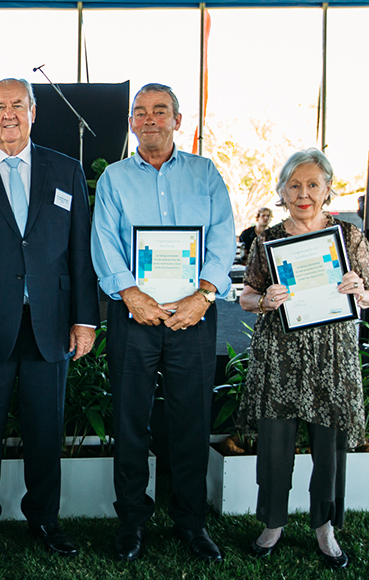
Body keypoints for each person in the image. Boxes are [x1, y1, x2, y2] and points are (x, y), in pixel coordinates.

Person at [0, 78, 99, 561]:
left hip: (50, 325)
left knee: (45, 431)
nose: (9, 114)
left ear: (34, 111)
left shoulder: (65, 170)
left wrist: (85, 319)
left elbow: (80, 251)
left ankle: (45, 520)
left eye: (18, 105)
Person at [90, 83, 235, 563]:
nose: (149, 119)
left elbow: (222, 238)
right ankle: (132, 521)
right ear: (131, 122)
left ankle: (192, 522)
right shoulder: (113, 177)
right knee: (131, 422)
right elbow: (105, 241)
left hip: (194, 315)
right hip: (134, 315)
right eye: (140, 112)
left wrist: (204, 294)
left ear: (177, 118)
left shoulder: (205, 173)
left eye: (160, 111)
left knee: (190, 423)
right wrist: (131, 294)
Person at [237, 149, 367, 570]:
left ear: (328, 189)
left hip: (333, 357)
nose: (304, 193)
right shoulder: (268, 238)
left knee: (328, 449)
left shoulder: (350, 236)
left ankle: (324, 528)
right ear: (282, 191)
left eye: (313, 184)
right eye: (295, 185)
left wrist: (359, 290)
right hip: (280, 355)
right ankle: (272, 524)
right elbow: (246, 296)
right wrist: (264, 300)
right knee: (275, 446)